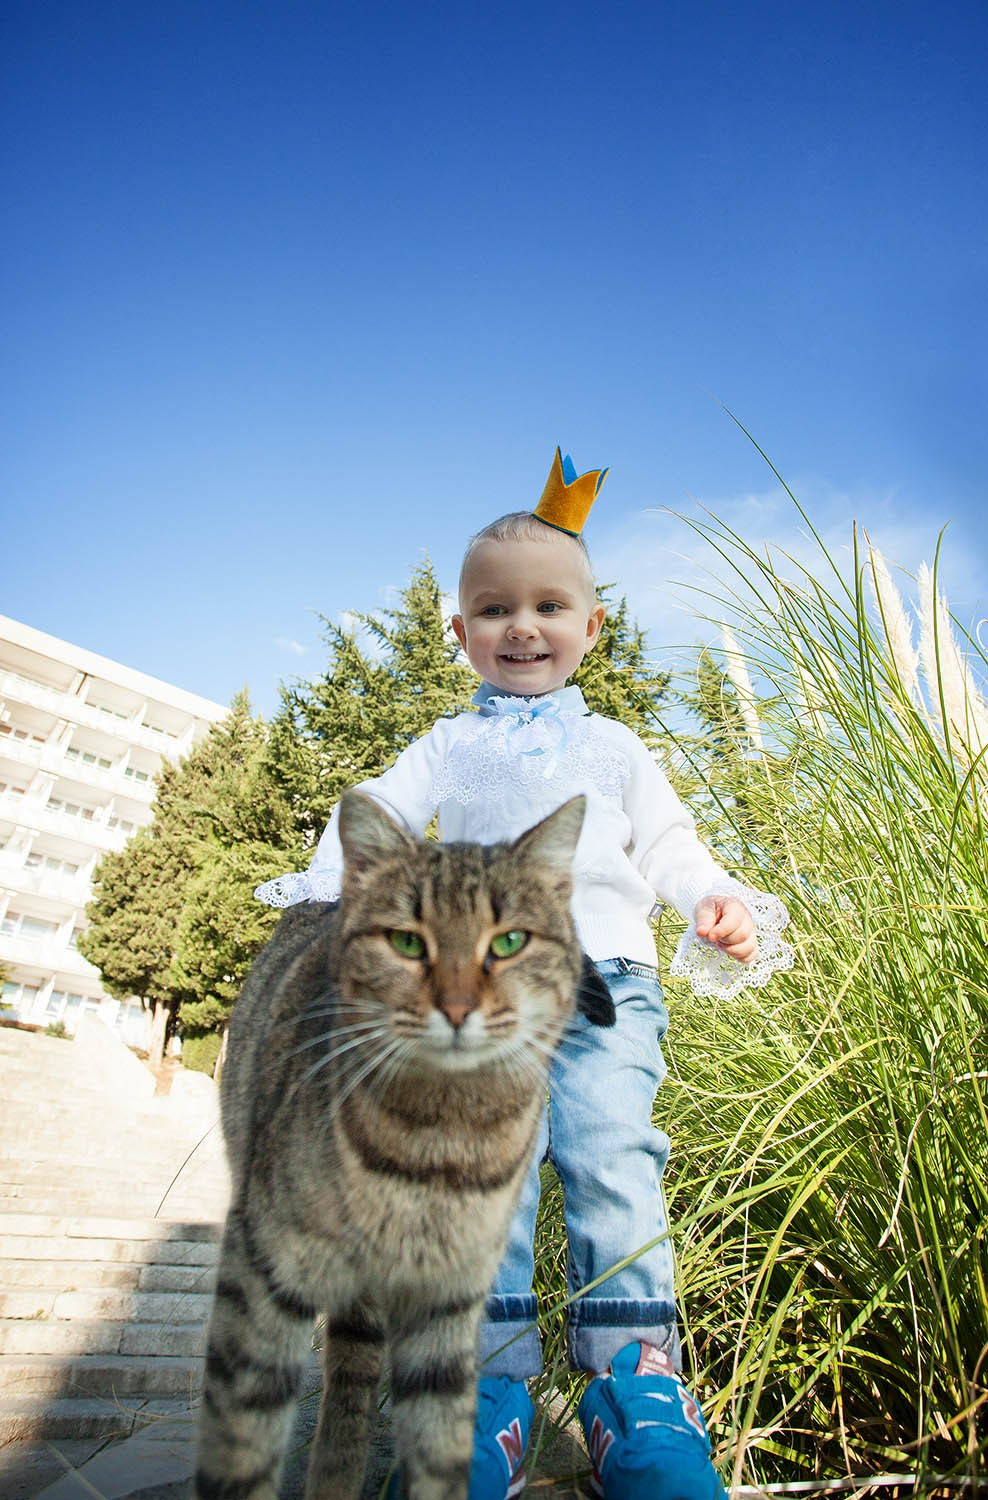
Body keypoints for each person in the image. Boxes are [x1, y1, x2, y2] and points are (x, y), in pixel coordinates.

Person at [256, 449, 793, 1500]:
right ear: (460, 634)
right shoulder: (448, 747)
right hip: (478, 1005)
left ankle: (634, 1390)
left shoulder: (619, 749)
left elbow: (668, 843)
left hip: (604, 989)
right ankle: (485, 1392)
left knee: (612, 1162)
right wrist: (332, 894)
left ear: (592, 628)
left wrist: (709, 899)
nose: (522, 626)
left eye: (550, 606)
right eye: (493, 608)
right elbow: (378, 807)